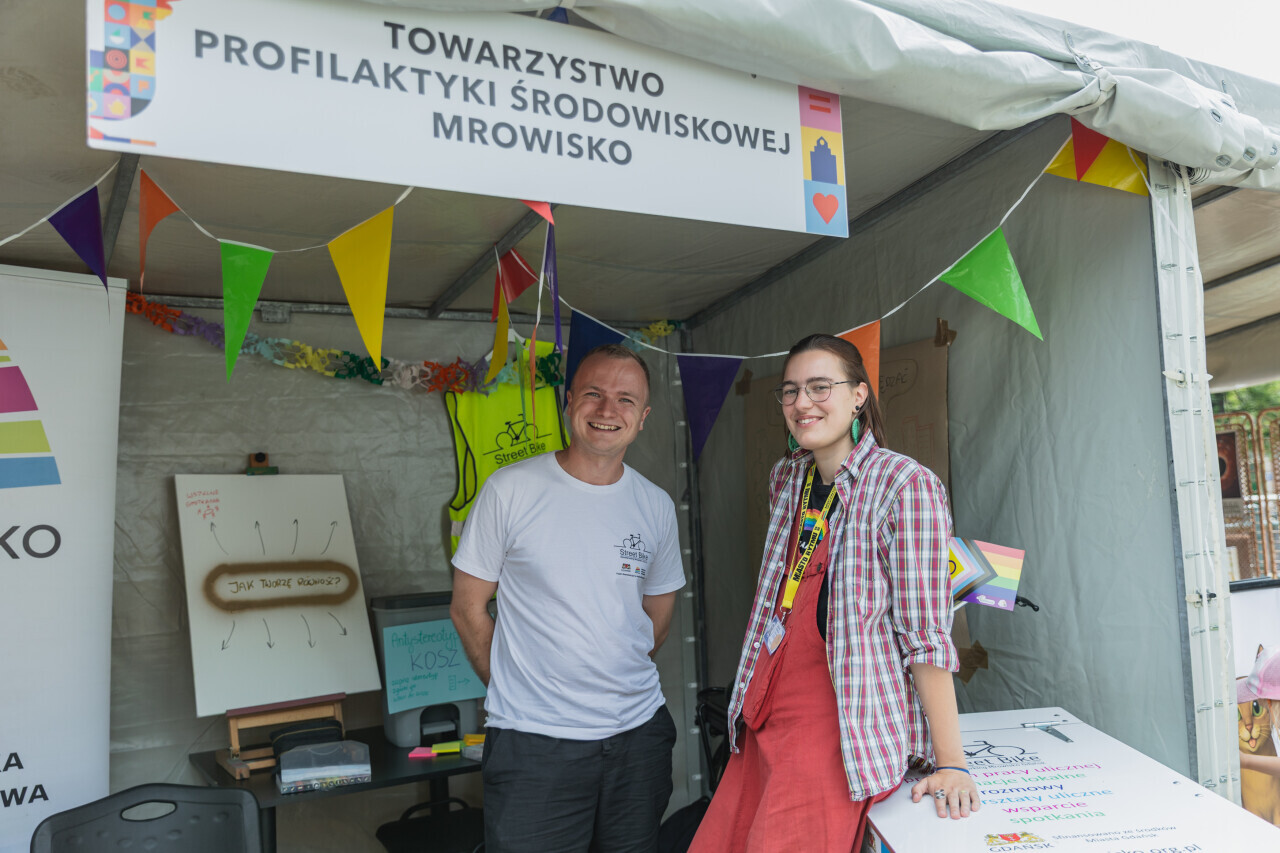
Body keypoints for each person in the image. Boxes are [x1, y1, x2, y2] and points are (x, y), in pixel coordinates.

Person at [689, 333, 977, 853]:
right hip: (765, 708)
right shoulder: (787, 478)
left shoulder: (904, 486)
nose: (803, 402)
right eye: (791, 390)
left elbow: (926, 637)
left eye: (820, 387)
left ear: (859, 395)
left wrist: (952, 762)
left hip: (838, 724)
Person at [451, 343, 686, 853]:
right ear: (569, 401)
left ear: (643, 418)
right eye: (594, 394)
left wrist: (608, 679)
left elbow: (658, 617)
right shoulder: (509, 490)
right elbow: (468, 608)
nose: (608, 410)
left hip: (638, 738)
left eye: (625, 399)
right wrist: (517, 687)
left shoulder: (656, 505)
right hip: (534, 744)